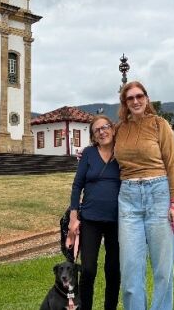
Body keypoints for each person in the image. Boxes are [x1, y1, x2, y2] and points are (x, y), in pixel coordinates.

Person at [114, 81, 174, 310]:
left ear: (146, 98)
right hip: (128, 198)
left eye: (139, 96)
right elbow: (105, 151)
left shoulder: (159, 124)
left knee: (163, 270)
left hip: (158, 194)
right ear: (124, 102)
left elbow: (172, 164)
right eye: (130, 98)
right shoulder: (119, 129)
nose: (135, 101)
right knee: (130, 270)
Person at [66, 115, 121, 310]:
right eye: (97, 130)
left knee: (113, 270)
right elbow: (77, 185)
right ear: (93, 136)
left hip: (117, 220)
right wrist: (74, 217)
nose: (102, 131)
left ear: (113, 129)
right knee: (88, 270)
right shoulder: (89, 154)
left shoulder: (123, 152)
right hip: (90, 219)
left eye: (105, 127)